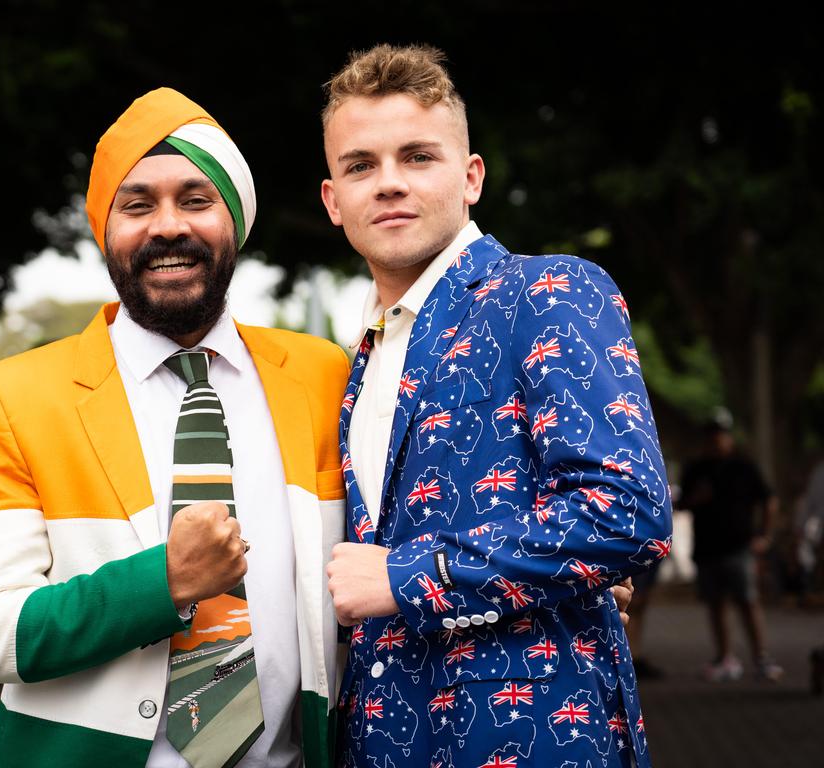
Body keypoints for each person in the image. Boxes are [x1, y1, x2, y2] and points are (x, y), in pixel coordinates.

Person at [0, 88, 350, 767]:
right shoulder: (14, 396)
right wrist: (161, 582)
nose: (168, 226)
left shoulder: (322, 375)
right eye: (137, 205)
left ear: (237, 221)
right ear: (105, 230)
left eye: (196, 200)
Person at [320, 45, 672, 768]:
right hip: (384, 738)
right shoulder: (361, 357)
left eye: (418, 157)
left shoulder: (546, 293)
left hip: (530, 735)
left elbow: (627, 510)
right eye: (361, 165)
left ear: (471, 177)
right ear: (332, 200)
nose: (388, 183)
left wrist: (408, 576)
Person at [679, 412, 783, 682]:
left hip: (739, 546)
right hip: (707, 547)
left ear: (729, 438)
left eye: (721, 436)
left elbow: (769, 500)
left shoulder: (744, 467)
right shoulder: (696, 469)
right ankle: (725, 657)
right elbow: (680, 505)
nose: (716, 441)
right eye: (712, 437)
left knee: (748, 601)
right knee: (716, 604)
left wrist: (765, 536)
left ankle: (761, 657)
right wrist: (696, 499)